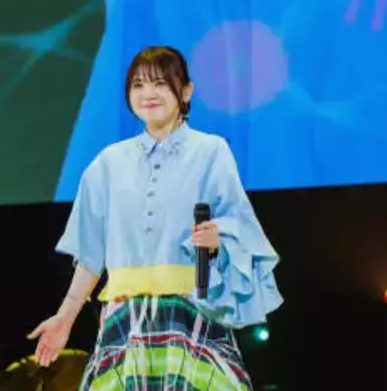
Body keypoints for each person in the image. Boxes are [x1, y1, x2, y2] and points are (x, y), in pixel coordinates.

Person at [28, 45, 283, 390]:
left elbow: (241, 227)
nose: (148, 93)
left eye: (160, 83)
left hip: (191, 309)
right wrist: (65, 317)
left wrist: (219, 237)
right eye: (138, 85)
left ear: (186, 91)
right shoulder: (108, 162)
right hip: (125, 318)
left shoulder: (210, 151)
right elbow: (90, 253)